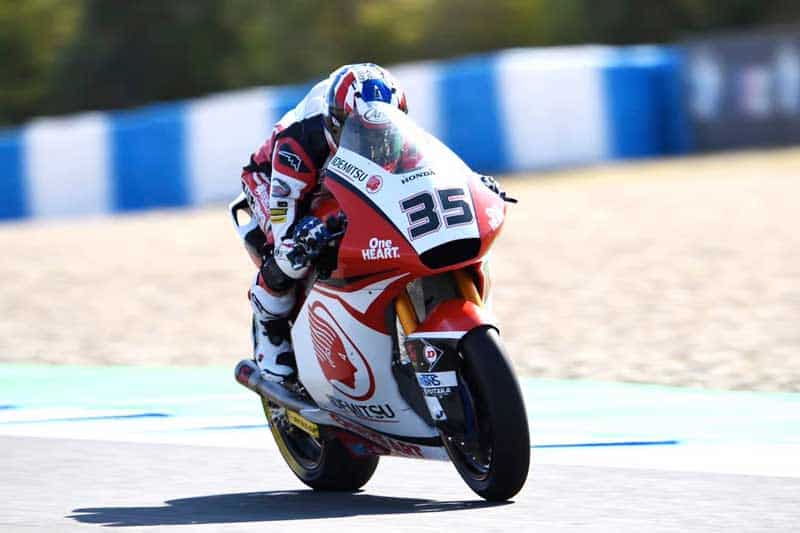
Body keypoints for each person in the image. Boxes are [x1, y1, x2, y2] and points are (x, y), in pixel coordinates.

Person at [237, 63, 409, 381]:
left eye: (381, 132)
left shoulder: (394, 131)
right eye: (360, 133)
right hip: (273, 179)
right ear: (334, 124)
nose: (374, 144)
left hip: (336, 180)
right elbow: (284, 217)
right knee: (293, 250)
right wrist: (301, 234)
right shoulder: (299, 141)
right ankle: (269, 329)